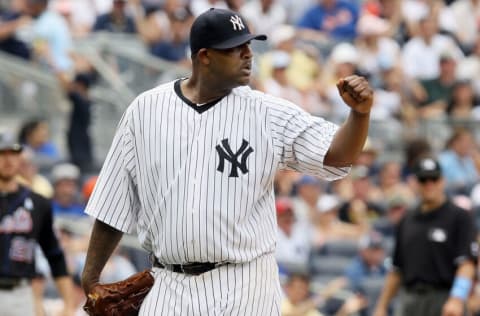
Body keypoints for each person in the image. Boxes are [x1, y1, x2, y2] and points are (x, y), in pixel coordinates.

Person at [81, 8, 374, 315]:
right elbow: (113, 203)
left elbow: (339, 154)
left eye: (249, 46)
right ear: (205, 56)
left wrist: (360, 114)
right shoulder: (145, 111)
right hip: (169, 285)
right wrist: (91, 278)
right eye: (236, 48)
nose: (249, 55)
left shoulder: (267, 113)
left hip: (246, 284)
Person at [373, 157, 478, 316]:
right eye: (423, 179)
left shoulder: (459, 217)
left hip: (443, 298)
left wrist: (457, 298)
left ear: (442, 181)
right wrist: (381, 306)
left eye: (434, 178)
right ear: (416, 183)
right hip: (409, 299)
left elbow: (467, 263)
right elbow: (396, 269)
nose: (429, 184)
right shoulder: (407, 220)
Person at [0, 130, 75, 316]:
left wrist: (68, 303)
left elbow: (54, 253)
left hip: (21, 292)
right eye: (2, 154)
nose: (8, 160)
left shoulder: (38, 203)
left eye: (13, 153)